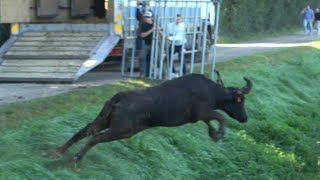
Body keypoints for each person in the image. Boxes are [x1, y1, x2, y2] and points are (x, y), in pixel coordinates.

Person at [139, 11, 159, 77]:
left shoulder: (156, 24)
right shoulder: (143, 25)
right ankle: (142, 72)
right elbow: (142, 35)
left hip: (155, 44)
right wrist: (151, 30)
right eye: (146, 17)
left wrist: (159, 29)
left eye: (148, 17)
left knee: (158, 58)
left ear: (152, 18)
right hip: (146, 44)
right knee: (141, 56)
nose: (147, 18)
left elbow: (162, 30)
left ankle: (163, 73)